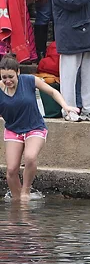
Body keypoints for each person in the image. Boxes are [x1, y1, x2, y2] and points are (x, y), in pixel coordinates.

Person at [1, 54, 78, 201]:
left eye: (10, 76)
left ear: (18, 72)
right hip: (13, 129)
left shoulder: (29, 80)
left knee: (30, 157)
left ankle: (26, 191)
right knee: (11, 170)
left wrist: (65, 106)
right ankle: (17, 202)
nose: (8, 81)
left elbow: (52, 91)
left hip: (34, 127)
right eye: (4, 77)